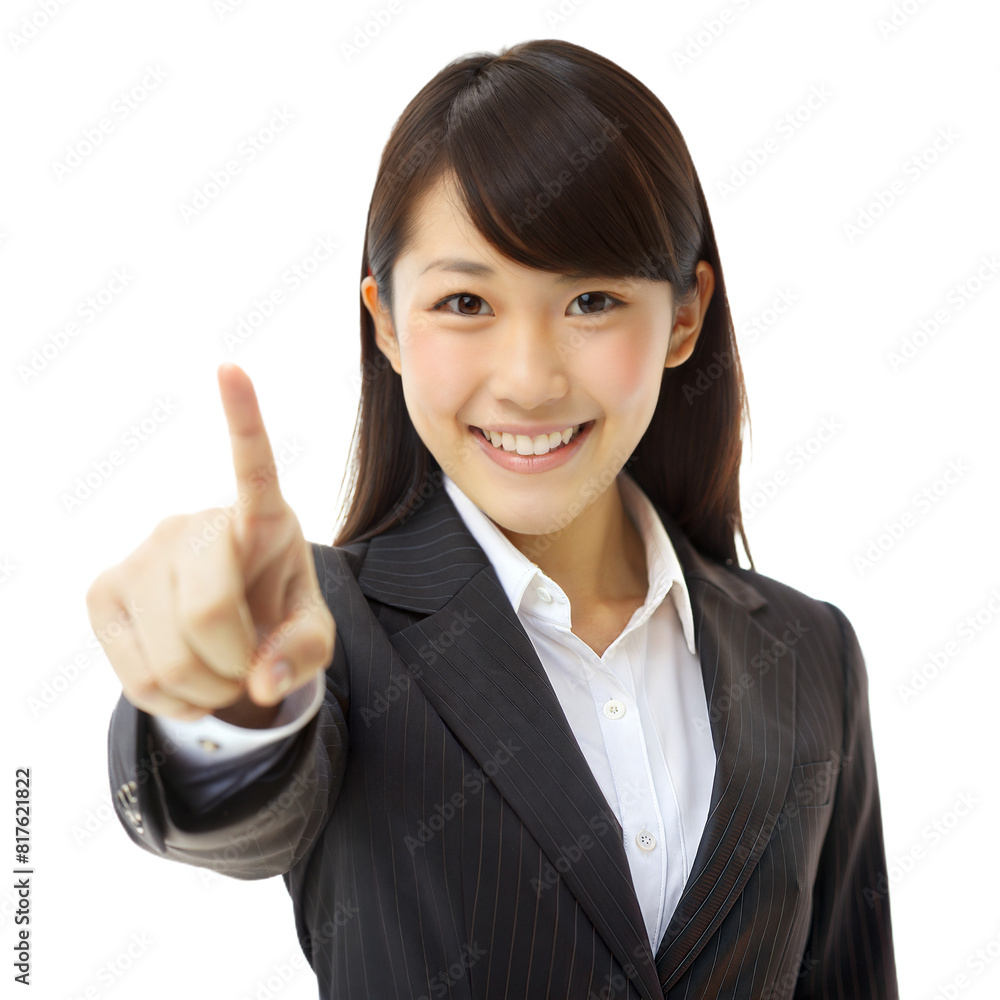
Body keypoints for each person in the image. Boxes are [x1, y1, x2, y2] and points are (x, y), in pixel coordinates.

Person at [88, 38, 898, 999]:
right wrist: (228, 701)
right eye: (465, 301)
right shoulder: (331, 632)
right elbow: (233, 814)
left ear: (685, 317)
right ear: (386, 323)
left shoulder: (811, 655)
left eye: (592, 299)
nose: (528, 379)